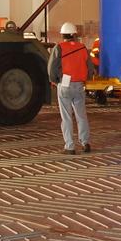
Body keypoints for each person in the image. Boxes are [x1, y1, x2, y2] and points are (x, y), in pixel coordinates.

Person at [48, 21, 92, 153]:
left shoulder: (59, 48)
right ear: (74, 34)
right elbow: (89, 68)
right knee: (81, 115)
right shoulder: (83, 47)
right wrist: (86, 79)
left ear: (63, 35)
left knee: (66, 117)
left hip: (65, 83)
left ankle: (70, 146)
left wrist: (54, 80)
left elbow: (51, 67)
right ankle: (85, 143)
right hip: (79, 84)